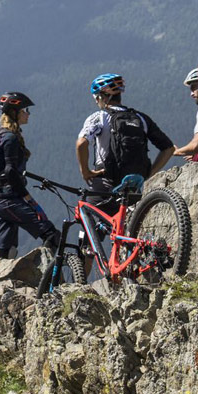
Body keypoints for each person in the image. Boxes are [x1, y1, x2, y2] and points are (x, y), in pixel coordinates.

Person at [73, 74, 173, 264]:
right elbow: (168, 148)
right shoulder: (140, 118)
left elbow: (81, 144)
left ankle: (82, 284)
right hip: (134, 186)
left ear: (101, 96)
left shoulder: (99, 117)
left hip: (104, 183)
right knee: (129, 234)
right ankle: (131, 271)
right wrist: (149, 174)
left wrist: (86, 172)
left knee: (88, 238)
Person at [0, 91, 58, 260]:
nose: (28, 114)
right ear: (15, 113)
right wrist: (27, 197)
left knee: (5, 252)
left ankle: (0, 282)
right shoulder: (10, 138)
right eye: (25, 110)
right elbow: (11, 171)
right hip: (10, 199)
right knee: (52, 236)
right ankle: (44, 279)